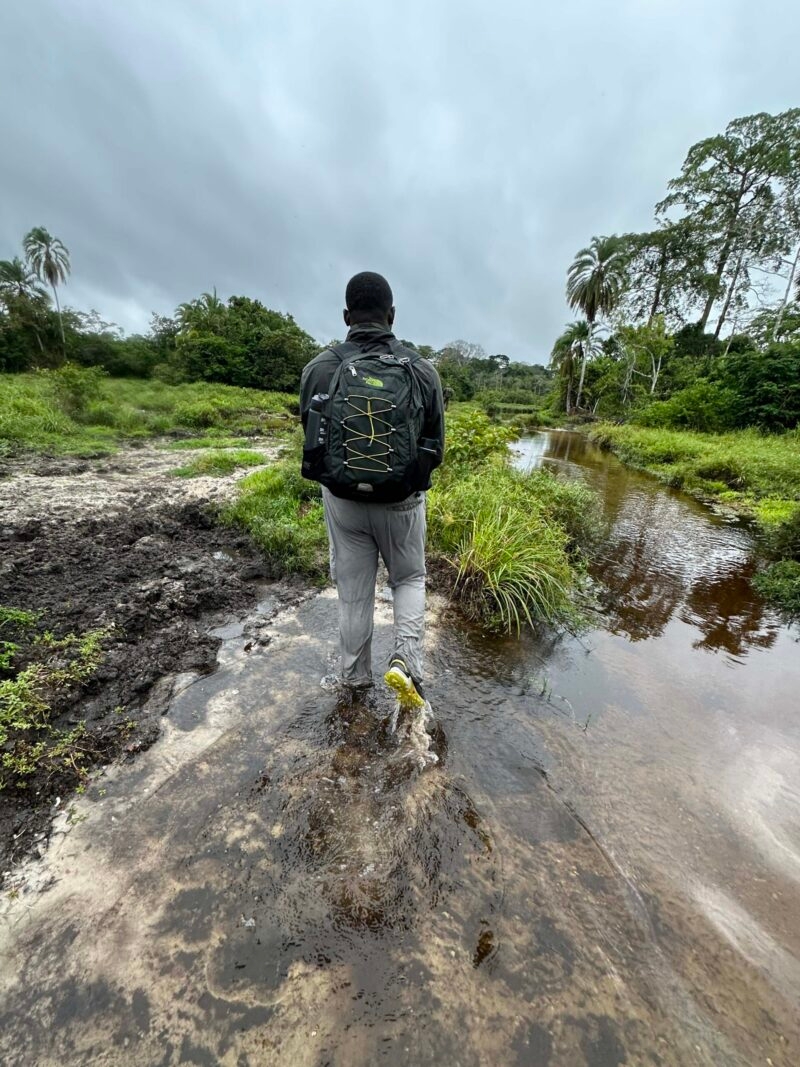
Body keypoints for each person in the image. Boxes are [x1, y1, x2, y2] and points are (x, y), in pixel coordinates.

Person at [300, 272, 445, 708]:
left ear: (346, 316)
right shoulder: (421, 370)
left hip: (343, 502)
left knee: (354, 591)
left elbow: (313, 434)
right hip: (401, 501)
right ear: (392, 316)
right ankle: (404, 662)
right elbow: (434, 446)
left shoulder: (319, 368)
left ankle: (354, 680)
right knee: (410, 577)